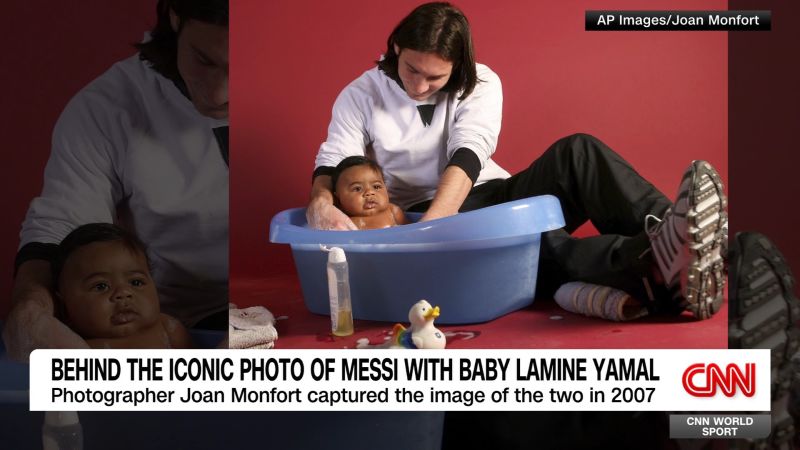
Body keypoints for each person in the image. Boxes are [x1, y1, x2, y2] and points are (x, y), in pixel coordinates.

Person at [307, 1, 727, 322]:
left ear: (459, 67)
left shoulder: (483, 81)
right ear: (396, 46)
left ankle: (685, 236)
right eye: (412, 69)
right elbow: (335, 160)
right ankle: (655, 262)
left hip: (481, 192)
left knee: (578, 151)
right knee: (533, 241)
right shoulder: (360, 94)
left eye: (435, 78)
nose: (419, 85)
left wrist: (440, 223)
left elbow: (469, 152)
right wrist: (322, 203)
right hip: (419, 214)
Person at [3, 0, 228, 361]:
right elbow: (62, 227)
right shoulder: (108, 107)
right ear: (175, 18)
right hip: (179, 325)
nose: (220, 94)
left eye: (242, 67)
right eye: (204, 60)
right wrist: (30, 308)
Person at [53, 223, 192, 349]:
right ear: (63, 306)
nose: (123, 293)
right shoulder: (72, 347)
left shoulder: (168, 330)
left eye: (136, 282)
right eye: (101, 286)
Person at [331, 156, 409, 230]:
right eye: (357, 189)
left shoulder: (393, 212)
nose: (369, 192)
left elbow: (411, 233)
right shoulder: (341, 220)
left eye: (376, 187)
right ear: (338, 198)